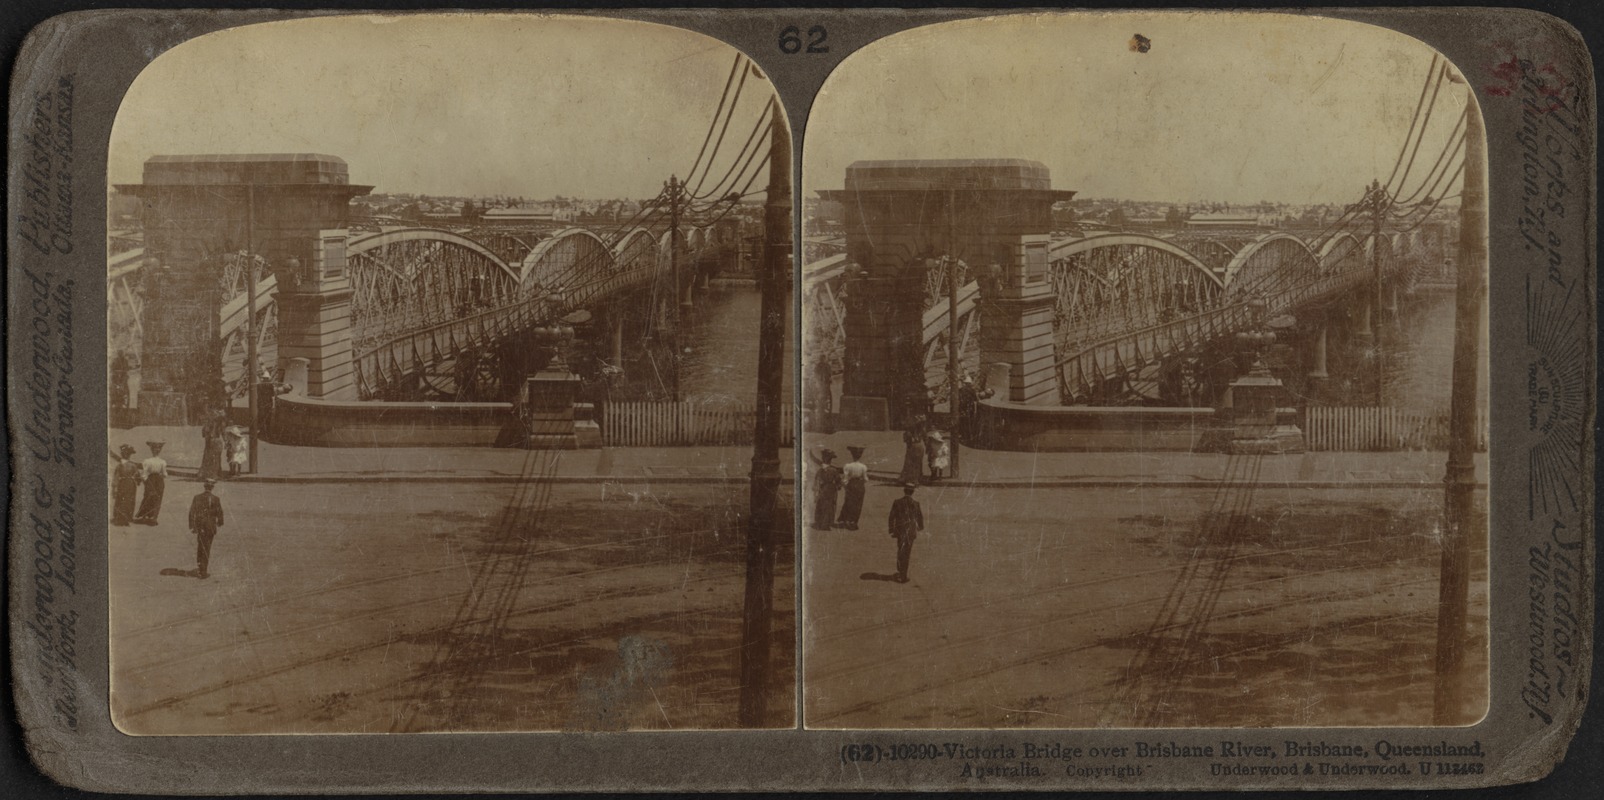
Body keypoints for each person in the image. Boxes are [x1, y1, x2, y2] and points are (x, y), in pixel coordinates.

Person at [188, 478, 225, 579]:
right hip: (210, 527)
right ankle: (203, 570)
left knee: (200, 546)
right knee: (207, 548)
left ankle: (201, 568)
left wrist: (192, 526)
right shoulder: (215, 499)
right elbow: (220, 512)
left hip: (200, 526)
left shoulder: (197, 497)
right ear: (212, 487)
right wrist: (220, 523)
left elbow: (192, 512)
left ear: (204, 486)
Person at [888, 483, 925, 584]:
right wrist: (920, 527)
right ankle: (903, 575)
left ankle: (901, 571)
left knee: (900, 549)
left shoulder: (897, 502)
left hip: (900, 530)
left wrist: (891, 529)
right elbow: (919, 517)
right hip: (910, 531)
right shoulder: (916, 503)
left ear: (904, 491)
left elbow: (891, 516)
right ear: (912, 492)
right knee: (907, 552)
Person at [809, 448, 843, 531]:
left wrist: (816, 491)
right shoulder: (834, 470)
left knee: (820, 504)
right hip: (831, 489)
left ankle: (819, 522)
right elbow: (838, 481)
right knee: (829, 505)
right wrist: (838, 486)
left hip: (822, 488)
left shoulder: (820, 470)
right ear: (830, 460)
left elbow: (816, 481)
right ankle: (826, 524)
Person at [133, 441, 167, 525]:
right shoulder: (147, 461)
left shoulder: (162, 461)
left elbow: (165, 474)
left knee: (157, 499)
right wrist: (147, 482)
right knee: (148, 497)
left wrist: (162, 475)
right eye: (155, 448)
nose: (157, 450)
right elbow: (144, 474)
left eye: (159, 448)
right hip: (150, 480)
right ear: (152, 450)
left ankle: (153, 517)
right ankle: (144, 516)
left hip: (159, 481)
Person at [835, 445, 868, 530]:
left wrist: (845, 486)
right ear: (860, 456)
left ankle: (846, 520)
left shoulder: (848, 466)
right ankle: (854, 521)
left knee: (849, 502)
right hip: (860, 486)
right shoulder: (863, 466)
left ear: (852, 455)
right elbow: (865, 479)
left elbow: (845, 478)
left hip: (851, 485)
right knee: (858, 504)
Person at [110, 444, 141, 526]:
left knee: (121, 499)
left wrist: (114, 488)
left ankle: (119, 516)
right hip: (130, 484)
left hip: (122, 483)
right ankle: (127, 517)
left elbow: (116, 478)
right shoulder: (133, 465)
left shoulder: (119, 465)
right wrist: (138, 481)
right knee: (129, 499)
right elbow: (138, 475)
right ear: (129, 455)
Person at [199, 408, 226, 481]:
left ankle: (206, 474)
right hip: (217, 441)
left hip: (208, 441)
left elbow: (203, 434)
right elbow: (224, 434)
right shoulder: (221, 423)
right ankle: (215, 474)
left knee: (208, 457)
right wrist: (226, 441)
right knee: (217, 458)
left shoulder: (208, 423)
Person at [110, 350, 131, 415]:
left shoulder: (125, 361)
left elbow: (127, 369)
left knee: (124, 386)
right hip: (116, 377)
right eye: (119, 354)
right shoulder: (115, 360)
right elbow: (112, 368)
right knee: (114, 387)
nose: (120, 355)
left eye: (121, 354)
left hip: (123, 377)